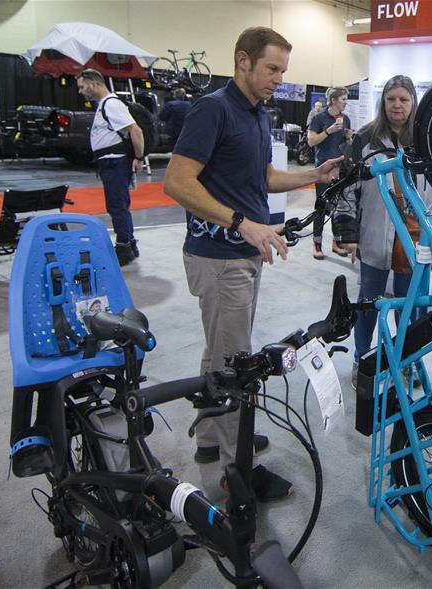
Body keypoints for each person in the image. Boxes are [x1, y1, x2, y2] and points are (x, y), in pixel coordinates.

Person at [164, 27, 342, 502]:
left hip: (244, 254)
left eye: (283, 71)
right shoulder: (214, 109)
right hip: (219, 258)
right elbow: (177, 182)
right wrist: (242, 223)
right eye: (272, 69)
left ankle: (210, 437)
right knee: (235, 362)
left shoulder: (258, 115)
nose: (279, 80)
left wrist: (313, 174)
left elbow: (263, 177)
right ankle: (235, 467)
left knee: (218, 350)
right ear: (242, 60)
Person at [337, 75, 432, 388]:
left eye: (403, 99)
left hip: (417, 242)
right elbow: (345, 187)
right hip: (374, 237)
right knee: (368, 305)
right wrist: (348, 232)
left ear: (413, 102)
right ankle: (363, 360)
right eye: (391, 99)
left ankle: (407, 364)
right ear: (382, 102)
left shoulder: (428, 141)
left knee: (411, 310)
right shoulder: (364, 139)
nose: (397, 105)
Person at [76, 69, 145, 266]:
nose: (81, 92)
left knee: (117, 206)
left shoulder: (112, 104)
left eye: (82, 87)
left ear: (93, 83)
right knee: (118, 205)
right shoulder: (103, 106)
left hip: (116, 163)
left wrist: (139, 157)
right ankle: (129, 244)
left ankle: (124, 248)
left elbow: (136, 131)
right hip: (110, 163)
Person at [308, 87, 351, 259]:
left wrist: (349, 137)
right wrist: (328, 131)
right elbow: (311, 142)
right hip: (323, 170)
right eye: (343, 99)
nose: (346, 102)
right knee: (321, 208)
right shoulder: (319, 118)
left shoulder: (346, 119)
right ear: (333, 100)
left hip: (340, 170)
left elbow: (347, 146)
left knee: (338, 208)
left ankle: (337, 242)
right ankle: (317, 244)